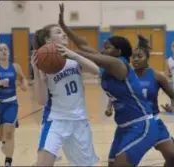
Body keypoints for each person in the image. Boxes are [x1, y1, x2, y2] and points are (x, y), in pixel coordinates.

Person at [58, 4, 160, 166]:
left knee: (121, 163)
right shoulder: (107, 65)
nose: (102, 50)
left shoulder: (121, 65)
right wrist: (64, 26)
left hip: (141, 123)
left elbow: (90, 55)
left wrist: (69, 52)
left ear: (118, 51)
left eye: (107, 47)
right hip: (122, 127)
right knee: (112, 164)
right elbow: (83, 45)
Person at [31, 24, 99, 166]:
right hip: (55, 120)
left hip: (79, 120)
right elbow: (42, 101)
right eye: (58, 32)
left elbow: (96, 70)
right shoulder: (43, 64)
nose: (64, 34)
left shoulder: (74, 59)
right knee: (43, 163)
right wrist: (39, 76)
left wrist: (73, 54)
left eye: (63, 32)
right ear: (48, 40)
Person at [106, 35, 174, 167]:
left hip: (153, 121)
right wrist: (109, 105)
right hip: (134, 123)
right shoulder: (125, 74)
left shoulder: (157, 76)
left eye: (140, 56)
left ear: (147, 58)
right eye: (133, 57)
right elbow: (115, 93)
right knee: (119, 162)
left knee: (172, 156)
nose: (135, 60)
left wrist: (172, 108)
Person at [0, 43, 27, 166]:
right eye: (0, 49)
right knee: (2, 136)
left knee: (9, 131)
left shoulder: (15, 67)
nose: (3, 51)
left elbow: (23, 78)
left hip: (11, 103)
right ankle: (4, 142)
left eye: (5, 49)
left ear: (9, 52)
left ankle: (8, 161)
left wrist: (24, 83)